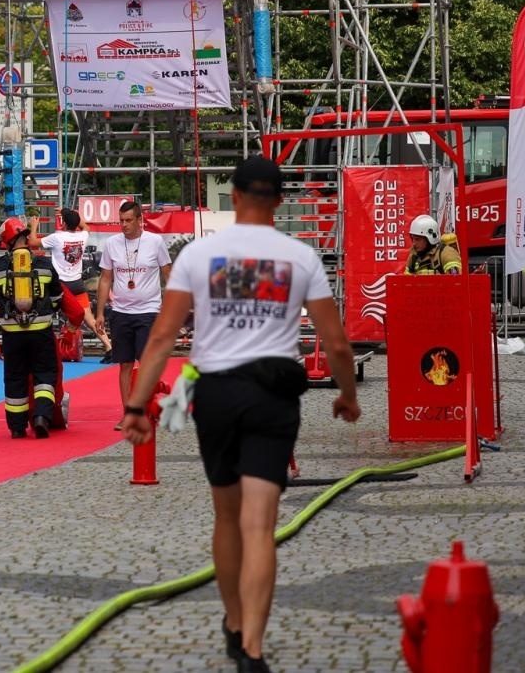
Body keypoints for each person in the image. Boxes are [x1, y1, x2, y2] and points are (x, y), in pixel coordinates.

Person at [121, 157, 359, 673]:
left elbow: (162, 337)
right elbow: (337, 343)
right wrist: (347, 396)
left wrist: (137, 406)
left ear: (233, 194)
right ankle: (252, 646)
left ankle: (232, 621)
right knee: (260, 524)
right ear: (279, 199)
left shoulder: (200, 255)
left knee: (227, 517)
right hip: (274, 396)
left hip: (218, 396)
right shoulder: (301, 257)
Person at [0, 217, 65, 438]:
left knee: (15, 377)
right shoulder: (44, 264)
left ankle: (17, 428)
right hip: (41, 330)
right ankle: (41, 417)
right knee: (44, 374)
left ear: (6, 241)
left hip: (12, 334)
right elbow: (57, 296)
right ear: (26, 236)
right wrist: (46, 309)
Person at [95, 200, 173, 426]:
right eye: (121, 221)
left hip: (149, 310)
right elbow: (105, 279)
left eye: (129, 220)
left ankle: (148, 402)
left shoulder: (155, 242)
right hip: (120, 312)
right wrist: (100, 312)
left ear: (140, 221)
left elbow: (169, 273)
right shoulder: (112, 244)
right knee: (125, 364)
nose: (124, 225)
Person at [40, 208, 112, 356]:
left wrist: (34, 226)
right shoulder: (83, 236)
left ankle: (38, 350)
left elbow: (33, 242)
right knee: (89, 319)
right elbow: (86, 226)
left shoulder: (56, 238)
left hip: (59, 287)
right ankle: (109, 346)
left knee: (42, 316)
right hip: (77, 284)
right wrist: (70, 214)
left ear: (64, 223)